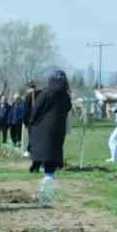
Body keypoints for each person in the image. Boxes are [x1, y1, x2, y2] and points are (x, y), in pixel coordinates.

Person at [27, 69, 72, 203]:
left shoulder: (46, 92)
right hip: (59, 128)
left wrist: (32, 120)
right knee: (53, 153)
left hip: (43, 128)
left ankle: (44, 180)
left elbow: (36, 109)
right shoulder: (65, 95)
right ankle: (49, 177)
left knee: (43, 150)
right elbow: (68, 108)